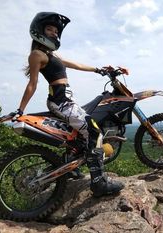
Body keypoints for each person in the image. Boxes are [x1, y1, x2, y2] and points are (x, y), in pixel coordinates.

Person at [12, 12, 124, 197]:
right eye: (50, 29)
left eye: (56, 31)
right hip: (60, 102)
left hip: (67, 101)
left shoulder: (52, 55)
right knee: (93, 130)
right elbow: (32, 84)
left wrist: (99, 69)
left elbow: (77, 65)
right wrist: (20, 109)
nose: (54, 33)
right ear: (39, 31)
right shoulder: (37, 54)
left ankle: (71, 168)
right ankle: (99, 183)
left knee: (79, 136)